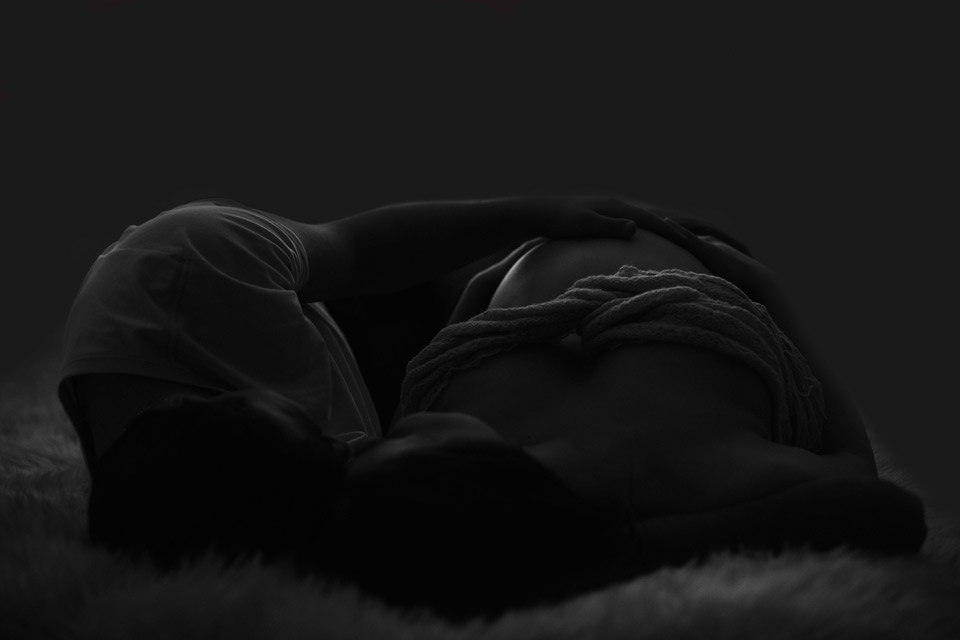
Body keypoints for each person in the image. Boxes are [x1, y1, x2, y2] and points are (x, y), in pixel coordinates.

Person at [58, 194, 640, 568]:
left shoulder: (192, 256)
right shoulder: (195, 515)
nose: (348, 447)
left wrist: (541, 214)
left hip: (370, 308)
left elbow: (359, 251)